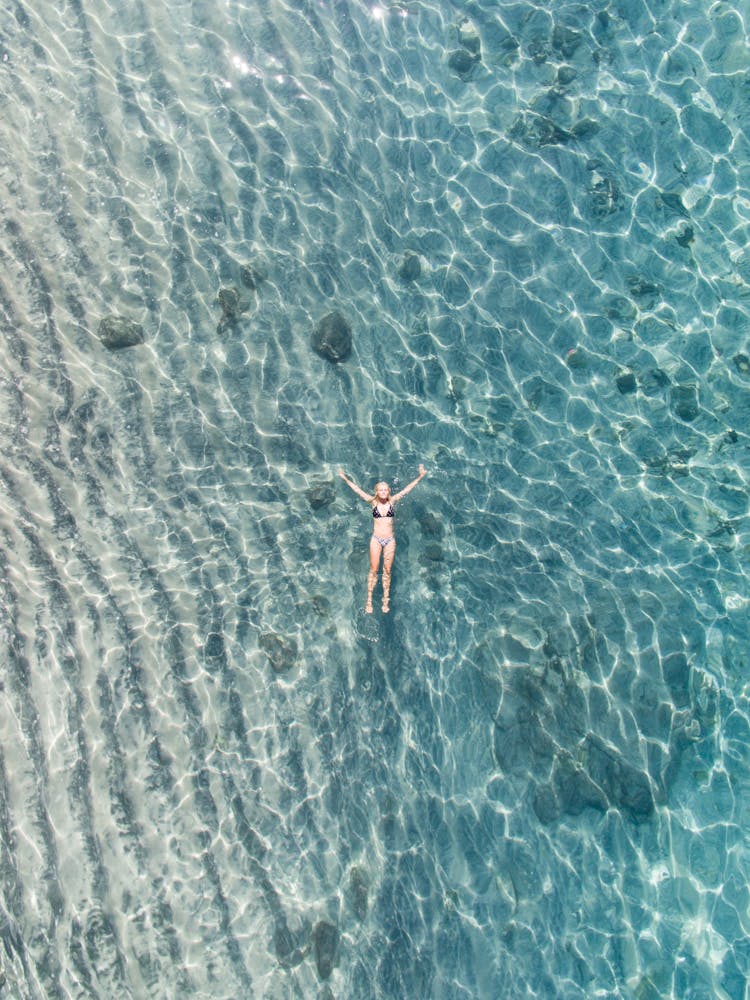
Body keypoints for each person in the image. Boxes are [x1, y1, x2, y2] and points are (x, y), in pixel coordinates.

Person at [338, 465, 427, 613]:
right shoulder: (373, 502)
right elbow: (357, 490)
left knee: (387, 570)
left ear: (389, 491)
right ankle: (369, 599)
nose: (383, 492)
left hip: (390, 540)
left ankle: (385, 600)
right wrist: (345, 478)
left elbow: (407, 489)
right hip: (376, 539)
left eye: (386, 490)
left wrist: (420, 476)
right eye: (381, 490)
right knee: (373, 569)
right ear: (377, 492)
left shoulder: (393, 501)